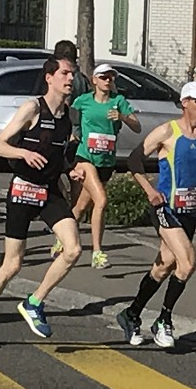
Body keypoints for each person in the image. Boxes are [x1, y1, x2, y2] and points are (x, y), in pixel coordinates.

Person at [0, 57, 82, 348]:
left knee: (74, 249)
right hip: (23, 190)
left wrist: (71, 169)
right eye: (65, 73)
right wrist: (23, 154)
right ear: (49, 78)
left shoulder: (69, 115)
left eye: (72, 74)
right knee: (12, 264)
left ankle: (34, 302)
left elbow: (61, 154)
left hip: (50, 191)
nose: (70, 79)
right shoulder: (32, 108)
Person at [116, 82, 196, 350]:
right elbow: (134, 160)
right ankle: (164, 319)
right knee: (187, 263)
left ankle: (131, 313)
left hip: (190, 212)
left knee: (164, 266)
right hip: (165, 208)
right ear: (185, 102)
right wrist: (150, 190)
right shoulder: (167, 132)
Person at [54, 62, 140, 269]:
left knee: (82, 206)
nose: (108, 80)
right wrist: (72, 134)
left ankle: (61, 238)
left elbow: (137, 127)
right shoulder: (83, 101)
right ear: (94, 80)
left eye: (111, 77)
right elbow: (67, 117)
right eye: (103, 77)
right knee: (101, 201)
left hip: (106, 161)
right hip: (86, 158)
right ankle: (98, 252)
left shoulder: (119, 101)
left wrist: (122, 117)